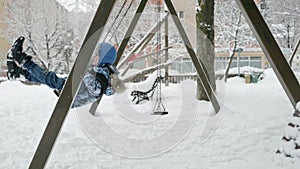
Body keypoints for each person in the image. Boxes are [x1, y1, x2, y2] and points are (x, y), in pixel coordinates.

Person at [7, 36, 123, 108]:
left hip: (71, 93)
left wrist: (88, 71)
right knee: (46, 79)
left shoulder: (102, 75)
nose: (93, 57)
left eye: (97, 55)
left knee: (48, 77)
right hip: (73, 90)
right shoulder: (103, 72)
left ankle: (21, 58)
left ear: (102, 59)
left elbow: (95, 89)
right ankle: (19, 74)